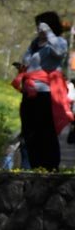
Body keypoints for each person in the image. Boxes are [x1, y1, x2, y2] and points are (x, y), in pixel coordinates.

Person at [12, 11, 72, 171]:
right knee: (29, 132)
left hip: (46, 95)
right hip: (29, 93)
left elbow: (59, 53)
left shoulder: (59, 42)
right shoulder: (34, 44)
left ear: (49, 26)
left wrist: (49, 33)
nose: (38, 29)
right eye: (38, 26)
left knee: (45, 132)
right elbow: (29, 62)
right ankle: (32, 167)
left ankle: (50, 168)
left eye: (41, 26)